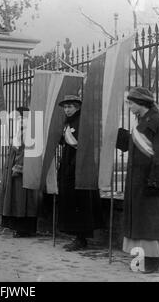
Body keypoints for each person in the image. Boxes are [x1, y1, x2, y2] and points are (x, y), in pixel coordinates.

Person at [116, 86, 159, 273]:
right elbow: (136, 145)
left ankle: (152, 262)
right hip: (139, 180)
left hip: (150, 181)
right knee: (142, 222)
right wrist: (118, 135)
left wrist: (155, 181)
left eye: (131, 103)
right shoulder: (144, 120)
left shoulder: (154, 121)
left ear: (141, 103)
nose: (129, 106)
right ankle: (143, 259)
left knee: (150, 224)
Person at [56, 95, 103, 251]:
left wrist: (74, 165)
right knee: (72, 201)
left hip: (79, 166)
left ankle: (81, 238)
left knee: (80, 202)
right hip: (69, 164)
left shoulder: (83, 121)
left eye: (70, 107)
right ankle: (77, 236)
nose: (67, 110)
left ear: (77, 107)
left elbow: (84, 145)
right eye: (65, 107)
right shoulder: (68, 122)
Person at [0, 106, 39, 237]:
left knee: (22, 200)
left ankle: (23, 228)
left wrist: (18, 167)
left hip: (21, 172)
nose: (19, 120)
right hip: (13, 170)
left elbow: (25, 152)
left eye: (21, 118)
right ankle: (17, 227)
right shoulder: (20, 131)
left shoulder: (29, 132)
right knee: (15, 199)